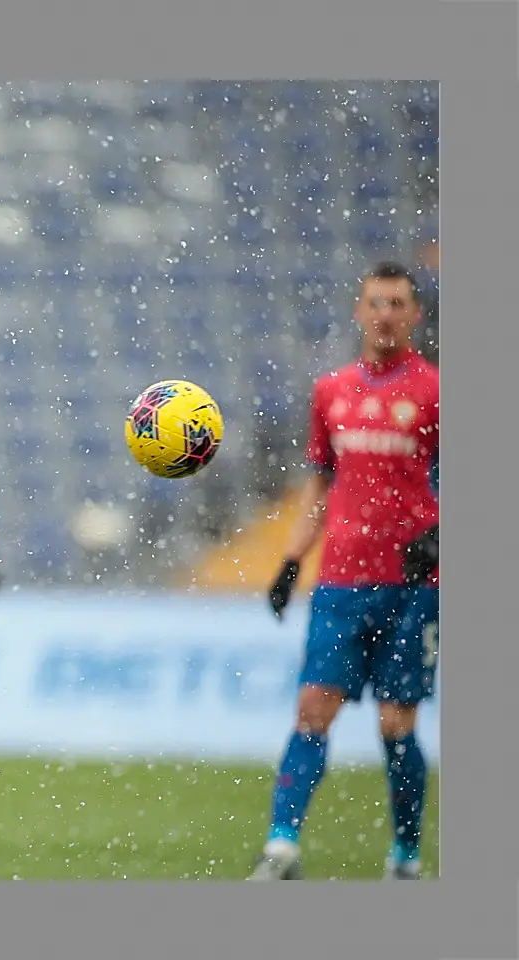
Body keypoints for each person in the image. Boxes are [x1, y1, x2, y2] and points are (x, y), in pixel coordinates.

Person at [250, 261, 439, 881]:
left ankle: (406, 856)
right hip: (339, 582)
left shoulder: (436, 392)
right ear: (359, 312)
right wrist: (289, 561)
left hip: (412, 588)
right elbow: (321, 485)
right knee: (312, 709)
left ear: (414, 315)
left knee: (395, 723)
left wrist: (437, 537)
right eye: (375, 303)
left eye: (397, 303)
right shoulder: (331, 391)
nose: (385, 314)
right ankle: (282, 845)